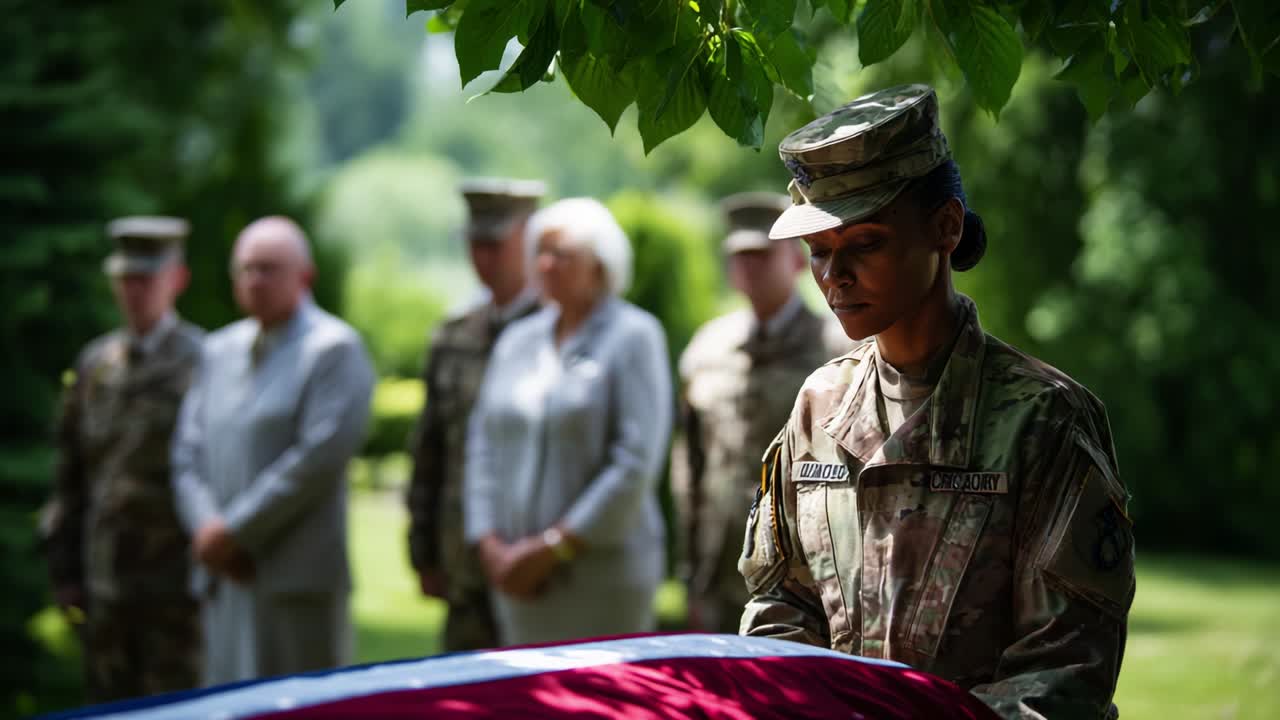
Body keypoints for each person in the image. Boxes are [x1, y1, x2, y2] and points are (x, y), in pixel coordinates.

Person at [738, 84, 1135, 719]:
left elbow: (1063, 670)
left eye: (865, 243)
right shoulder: (818, 406)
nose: (835, 275)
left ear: (945, 227)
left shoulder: (1042, 418)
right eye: (819, 250)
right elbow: (781, 608)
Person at [172, 216, 374, 685]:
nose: (255, 280)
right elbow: (187, 455)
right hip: (224, 577)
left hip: (293, 580)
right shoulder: (218, 350)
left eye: (269, 268)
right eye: (245, 269)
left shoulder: (334, 350)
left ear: (305, 276)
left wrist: (236, 532)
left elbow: (318, 460)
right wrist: (208, 532)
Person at [464, 198, 672, 646]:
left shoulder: (635, 336)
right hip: (514, 576)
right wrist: (489, 545)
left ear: (601, 265)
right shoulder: (517, 340)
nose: (545, 264)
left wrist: (554, 548)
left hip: (602, 578)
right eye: (540, 251)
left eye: (562, 254)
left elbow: (635, 461)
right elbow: (482, 445)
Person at [671, 192, 853, 634]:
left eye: (762, 255)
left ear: (794, 261)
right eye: (740, 256)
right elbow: (688, 467)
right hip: (720, 564)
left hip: (804, 574)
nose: (749, 267)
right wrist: (690, 571)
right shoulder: (708, 349)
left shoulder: (836, 349)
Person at [41, 216, 204, 702]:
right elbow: (71, 473)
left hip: (176, 591)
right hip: (106, 585)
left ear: (176, 279)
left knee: (179, 708)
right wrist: (65, 570)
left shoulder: (206, 361)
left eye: (146, 279)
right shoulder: (96, 366)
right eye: (125, 280)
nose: (134, 292)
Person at [407, 178, 545, 652]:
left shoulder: (559, 331)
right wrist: (422, 549)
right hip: (463, 561)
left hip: (536, 557)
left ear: (529, 240)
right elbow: (430, 448)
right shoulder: (453, 335)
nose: (482, 257)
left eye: (494, 244)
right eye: (474, 243)